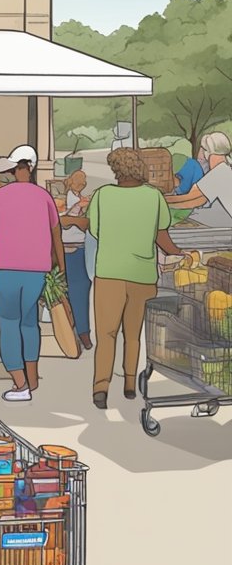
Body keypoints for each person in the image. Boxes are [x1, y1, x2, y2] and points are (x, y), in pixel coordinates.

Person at [92, 148, 184, 408]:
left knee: (106, 334)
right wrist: (179, 253)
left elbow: (96, 231)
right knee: (133, 334)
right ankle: (130, 383)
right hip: (143, 275)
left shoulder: (102, 195)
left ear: (117, 170)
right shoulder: (154, 197)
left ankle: (101, 387)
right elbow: (162, 235)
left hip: (109, 272)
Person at [0, 145, 65, 401]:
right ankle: (32, 378)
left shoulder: (0, 195)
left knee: (8, 324)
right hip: (36, 270)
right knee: (29, 323)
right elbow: (55, 230)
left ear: (13, 168)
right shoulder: (44, 197)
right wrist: (60, 266)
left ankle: (20, 386)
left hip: (6, 267)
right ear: (32, 167)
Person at [59, 171, 94, 352]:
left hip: (78, 246)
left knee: (78, 288)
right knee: (78, 288)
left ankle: (80, 330)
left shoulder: (77, 197)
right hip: (71, 247)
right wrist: (80, 207)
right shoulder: (69, 199)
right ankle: (81, 332)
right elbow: (65, 220)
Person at [167, 134, 232, 214]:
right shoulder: (226, 170)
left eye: (203, 150)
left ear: (207, 152)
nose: (201, 156)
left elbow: (190, 200)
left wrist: (161, 200)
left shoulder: (219, 173)